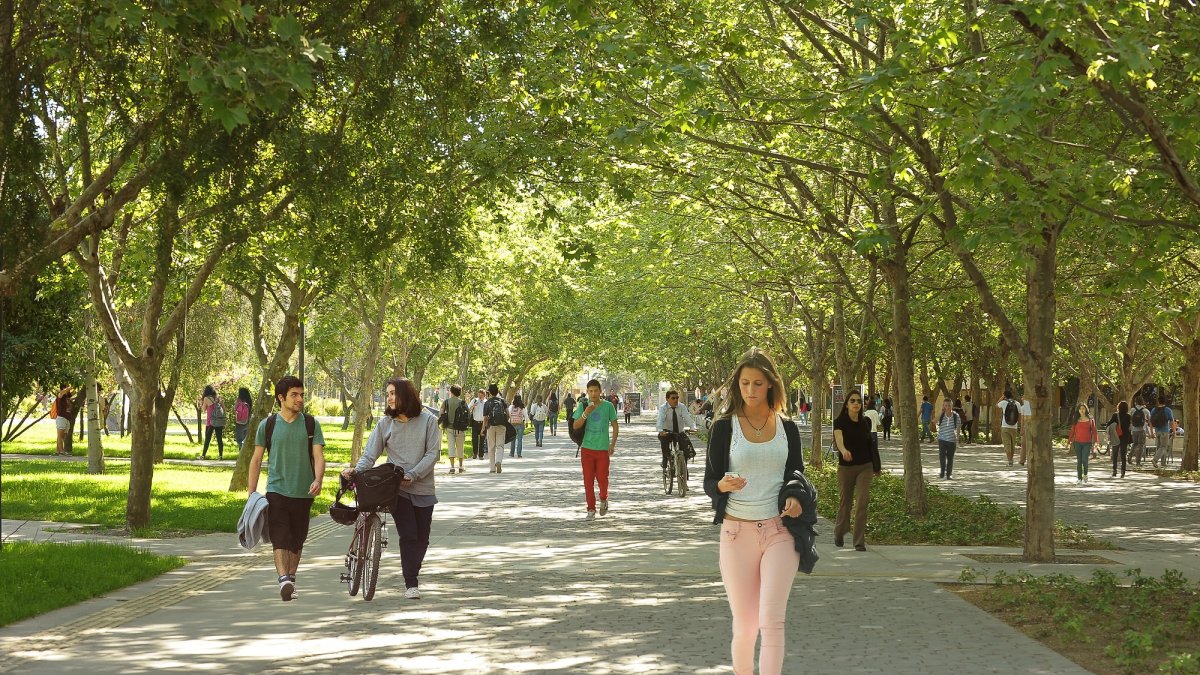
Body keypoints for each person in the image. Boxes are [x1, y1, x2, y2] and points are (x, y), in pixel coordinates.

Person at [702, 348, 805, 675]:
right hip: (736, 533)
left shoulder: (787, 428)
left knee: (772, 620)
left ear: (771, 385)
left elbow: (797, 474)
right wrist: (722, 486)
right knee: (746, 626)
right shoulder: (723, 427)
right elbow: (709, 481)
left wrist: (796, 496)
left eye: (758, 383)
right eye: (745, 383)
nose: (750, 390)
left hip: (779, 531)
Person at [343, 377, 439, 600]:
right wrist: (356, 471)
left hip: (423, 488)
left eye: (393, 393)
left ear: (406, 394)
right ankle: (411, 583)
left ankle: (412, 571)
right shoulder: (385, 424)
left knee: (422, 539)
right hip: (397, 489)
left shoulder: (429, 421)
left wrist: (413, 474)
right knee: (409, 534)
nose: (389, 398)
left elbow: (432, 454)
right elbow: (370, 454)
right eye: (387, 394)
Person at [247, 375, 326, 601]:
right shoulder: (268, 425)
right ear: (281, 398)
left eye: (301, 394)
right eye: (294, 395)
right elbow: (256, 460)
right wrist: (251, 492)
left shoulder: (311, 424)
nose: (300, 399)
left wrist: (318, 479)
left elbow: (318, 456)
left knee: (296, 539)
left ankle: (291, 578)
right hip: (276, 491)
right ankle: (284, 579)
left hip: (303, 492)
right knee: (280, 536)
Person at [833, 391, 881, 550]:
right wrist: (844, 450)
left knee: (862, 502)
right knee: (845, 503)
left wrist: (876, 466)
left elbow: (871, 445)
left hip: (865, 467)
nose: (856, 403)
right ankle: (840, 531)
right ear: (847, 404)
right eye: (852, 401)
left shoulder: (866, 421)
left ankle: (859, 541)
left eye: (859, 401)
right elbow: (839, 440)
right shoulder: (840, 422)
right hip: (846, 468)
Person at [573, 379, 619, 520]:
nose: (593, 394)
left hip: (602, 450)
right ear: (587, 392)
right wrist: (586, 412)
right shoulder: (583, 405)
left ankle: (604, 498)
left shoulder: (608, 406)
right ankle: (591, 509)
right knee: (588, 480)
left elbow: (615, 426)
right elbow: (575, 426)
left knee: (602, 479)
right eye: (590, 391)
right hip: (587, 449)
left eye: (595, 391)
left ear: (600, 391)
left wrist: (612, 444)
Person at [656, 390, 697, 471]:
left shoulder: (682, 407)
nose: (675, 400)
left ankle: (684, 471)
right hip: (666, 432)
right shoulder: (663, 408)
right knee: (665, 445)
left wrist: (692, 427)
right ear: (667, 399)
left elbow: (687, 418)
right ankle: (665, 460)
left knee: (685, 450)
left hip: (679, 432)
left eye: (677, 398)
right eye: (673, 398)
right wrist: (660, 430)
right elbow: (660, 419)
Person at [1068, 403, 1098, 483]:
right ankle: (1079, 478)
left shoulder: (1090, 418)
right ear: (1078, 410)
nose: (1082, 410)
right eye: (1080, 408)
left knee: (1085, 460)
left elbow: (1094, 431)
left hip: (1087, 443)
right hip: (1077, 442)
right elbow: (1072, 431)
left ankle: (1085, 474)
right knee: (1079, 461)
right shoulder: (1076, 418)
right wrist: (1068, 441)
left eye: (1083, 408)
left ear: (1086, 409)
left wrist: (1096, 442)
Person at [440, 385, 467, 474]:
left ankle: (452, 467)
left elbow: (441, 413)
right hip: (460, 428)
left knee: (451, 446)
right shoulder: (462, 402)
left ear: (451, 391)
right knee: (460, 447)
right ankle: (460, 466)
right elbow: (468, 415)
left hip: (449, 427)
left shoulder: (446, 402)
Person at [481, 384, 507, 473]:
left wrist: (483, 429)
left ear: (490, 392)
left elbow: (485, 418)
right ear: (497, 391)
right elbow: (508, 414)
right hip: (501, 425)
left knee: (491, 447)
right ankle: (498, 461)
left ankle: (492, 468)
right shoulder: (502, 401)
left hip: (490, 426)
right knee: (500, 446)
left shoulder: (487, 403)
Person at [932, 399, 960, 479]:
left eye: (949, 405)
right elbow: (934, 421)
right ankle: (942, 471)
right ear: (943, 406)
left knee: (950, 458)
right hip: (942, 439)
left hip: (952, 440)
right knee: (942, 457)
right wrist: (941, 412)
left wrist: (957, 438)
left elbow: (958, 427)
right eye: (945, 405)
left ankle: (949, 474)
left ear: (952, 406)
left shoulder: (955, 416)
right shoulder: (941, 415)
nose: (947, 407)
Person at [1149, 396, 1177, 468]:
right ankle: (1155, 460)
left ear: (1158, 401)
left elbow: (1151, 422)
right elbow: (1172, 422)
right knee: (1163, 447)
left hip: (1157, 431)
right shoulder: (1168, 410)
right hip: (1165, 431)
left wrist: (1152, 432)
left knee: (1160, 447)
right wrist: (1174, 432)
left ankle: (1163, 463)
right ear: (1165, 402)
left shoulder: (1154, 410)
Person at [996, 390, 1022, 467]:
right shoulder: (1017, 403)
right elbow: (1019, 415)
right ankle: (1011, 460)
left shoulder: (1003, 402)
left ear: (1005, 395)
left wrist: (1001, 398)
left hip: (1005, 426)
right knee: (1012, 444)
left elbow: (996, 405)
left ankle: (1010, 461)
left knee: (1007, 444)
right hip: (1014, 426)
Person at [200, 384, 226, 460]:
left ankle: (203, 455)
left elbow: (204, 410)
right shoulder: (217, 398)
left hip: (210, 422)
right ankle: (220, 456)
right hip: (219, 421)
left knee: (207, 439)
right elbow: (224, 410)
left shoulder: (206, 398)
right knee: (219, 439)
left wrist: (203, 405)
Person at [1108, 401, 1132, 478]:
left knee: (1115, 454)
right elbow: (1129, 427)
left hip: (1116, 436)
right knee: (1123, 455)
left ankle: (1114, 470)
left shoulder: (1115, 415)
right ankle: (1123, 472)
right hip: (1124, 437)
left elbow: (1109, 424)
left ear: (1119, 407)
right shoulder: (1128, 416)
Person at [53, 386, 75, 456]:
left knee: (63, 435)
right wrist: (72, 386)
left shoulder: (67, 396)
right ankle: (62, 452)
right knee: (60, 435)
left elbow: (74, 392)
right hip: (61, 417)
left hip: (67, 418)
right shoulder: (60, 395)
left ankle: (58, 451)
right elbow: (63, 392)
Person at [1129, 395, 1151, 465]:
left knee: (1134, 444)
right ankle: (1138, 461)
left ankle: (1130, 456)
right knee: (1141, 445)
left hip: (1134, 430)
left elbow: (1130, 419)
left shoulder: (1132, 410)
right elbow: (1149, 421)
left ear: (1135, 402)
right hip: (1142, 429)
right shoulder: (1146, 410)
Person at [468, 389, 487, 461]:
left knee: (482, 439)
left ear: (484, 395)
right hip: (475, 422)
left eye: (481, 395)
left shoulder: (486, 402)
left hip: (483, 423)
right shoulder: (474, 400)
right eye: (479, 395)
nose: (480, 396)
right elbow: (468, 409)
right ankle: (475, 453)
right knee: (474, 439)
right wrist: (473, 406)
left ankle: (481, 455)